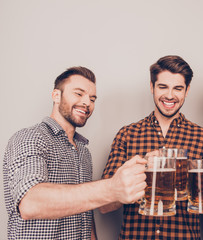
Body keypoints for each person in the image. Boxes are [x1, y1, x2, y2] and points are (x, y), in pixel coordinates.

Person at [3, 66, 147, 240]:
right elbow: (30, 203)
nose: (87, 102)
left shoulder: (84, 152)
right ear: (56, 95)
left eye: (92, 98)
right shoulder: (29, 137)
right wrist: (112, 188)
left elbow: (85, 213)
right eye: (79, 94)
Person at [100, 55, 203, 239]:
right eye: (163, 87)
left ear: (187, 90)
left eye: (178, 88)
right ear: (152, 87)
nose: (169, 95)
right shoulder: (127, 135)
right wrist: (143, 169)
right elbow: (105, 205)